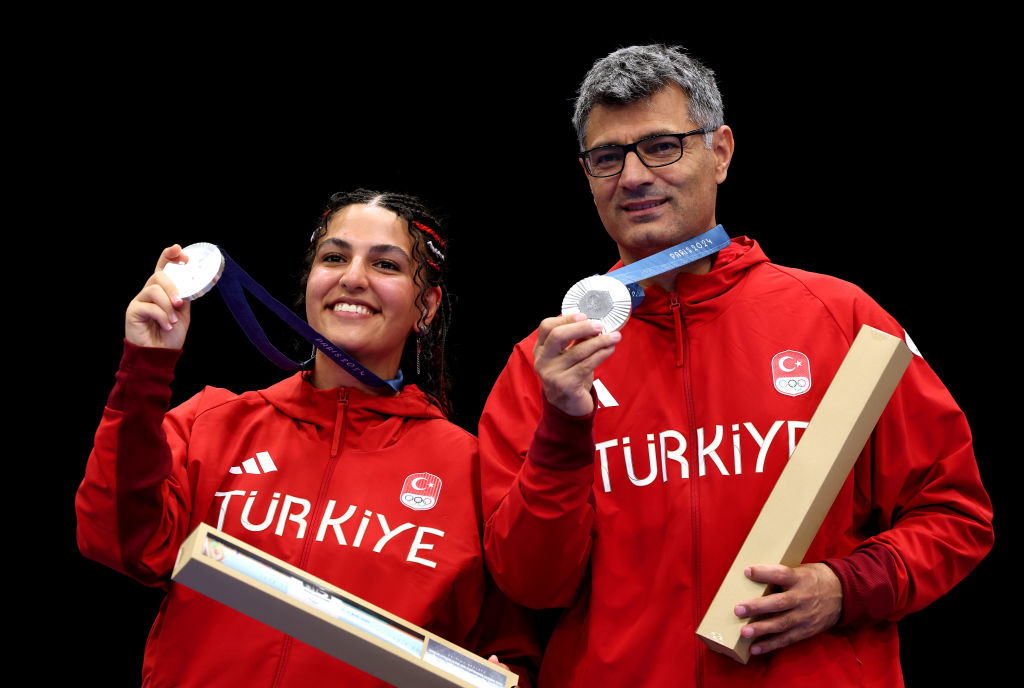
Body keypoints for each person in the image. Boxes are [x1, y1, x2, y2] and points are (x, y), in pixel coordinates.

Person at [478, 45, 993, 687]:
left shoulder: (841, 318)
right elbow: (530, 585)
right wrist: (562, 428)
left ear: (720, 152)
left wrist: (846, 586)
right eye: (607, 157)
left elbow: (955, 512)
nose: (632, 177)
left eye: (661, 146)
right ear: (586, 173)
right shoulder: (545, 363)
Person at [76, 189, 538, 687]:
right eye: (334, 257)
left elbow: (509, 652)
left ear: (425, 306)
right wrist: (145, 367)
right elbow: (118, 543)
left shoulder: (471, 470)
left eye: (385, 265)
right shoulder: (213, 423)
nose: (353, 277)